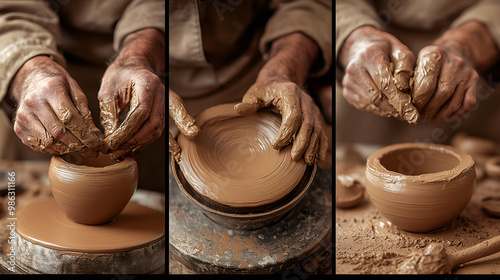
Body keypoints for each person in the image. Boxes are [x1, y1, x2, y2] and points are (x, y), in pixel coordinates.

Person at [0, 0, 165, 191]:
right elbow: (10, 9)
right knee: (29, 177)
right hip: (53, 56)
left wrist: (140, 54)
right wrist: (30, 71)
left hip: (163, 65)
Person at [168, 0, 333, 167]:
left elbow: (308, 4)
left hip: (260, 71)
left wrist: (282, 72)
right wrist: (142, 67)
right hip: (167, 88)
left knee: (311, 147)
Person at [336, 0, 500, 145]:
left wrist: (467, 44)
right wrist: (356, 39)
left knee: (469, 162)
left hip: (478, 60)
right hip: (370, 52)